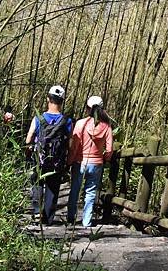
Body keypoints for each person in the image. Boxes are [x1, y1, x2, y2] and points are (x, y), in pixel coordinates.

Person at [25, 85, 72, 225]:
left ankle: (37, 212)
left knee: (37, 185)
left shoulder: (38, 118)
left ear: (48, 99)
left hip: (39, 159)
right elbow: (71, 143)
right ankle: (48, 218)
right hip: (57, 161)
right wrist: (68, 159)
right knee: (53, 188)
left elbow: (29, 139)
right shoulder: (66, 121)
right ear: (62, 101)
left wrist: (28, 154)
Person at [67, 95, 113, 227]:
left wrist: (70, 160)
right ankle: (86, 221)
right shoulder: (106, 126)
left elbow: (75, 146)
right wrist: (106, 158)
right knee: (91, 192)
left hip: (80, 162)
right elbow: (109, 149)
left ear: (88, 108)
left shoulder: (81, 124)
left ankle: (71, 219)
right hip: (96, 163)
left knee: (75, 190)